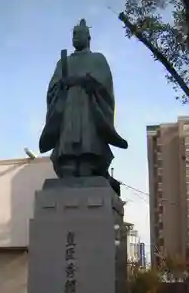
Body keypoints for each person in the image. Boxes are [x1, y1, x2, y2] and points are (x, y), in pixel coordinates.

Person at [39, 18, 128, 193]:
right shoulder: (63, 63)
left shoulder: (97, 59)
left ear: (88, 37)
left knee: (89, 142)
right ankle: (68, 167)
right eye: (73, 34)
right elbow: (52, 88)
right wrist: (63, 86)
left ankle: (89, 165)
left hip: (89, 108)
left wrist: (87, 81)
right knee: (67, 145)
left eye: (79, 34)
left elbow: (105, 84)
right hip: (68, 109)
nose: (75, 37)